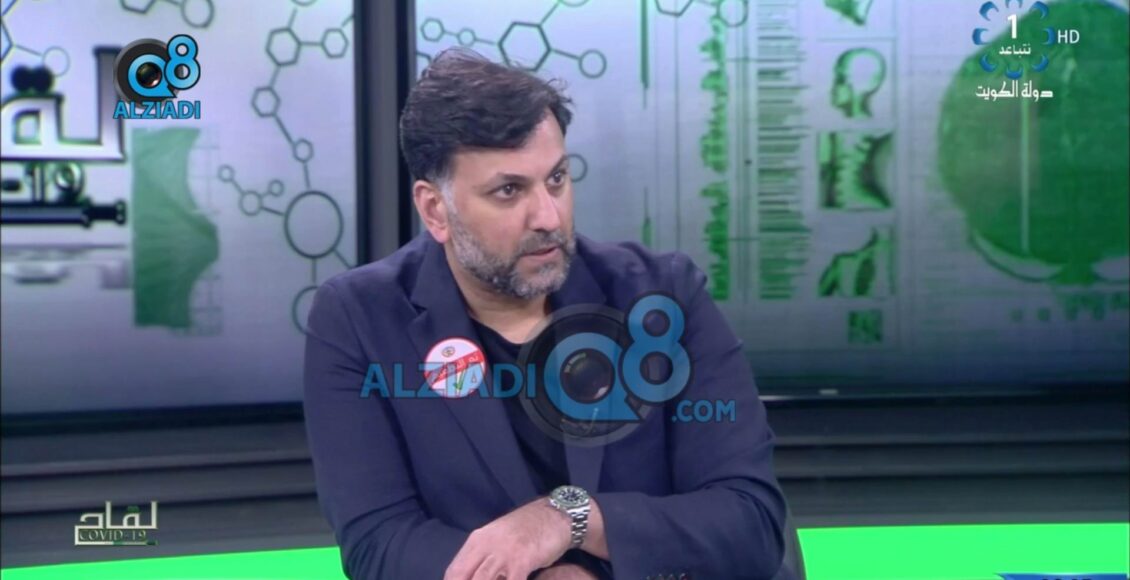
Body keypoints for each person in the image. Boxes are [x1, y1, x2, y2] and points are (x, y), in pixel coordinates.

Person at [303, 48, 791, 579]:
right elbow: (379, 544)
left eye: (556, 179)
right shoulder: (359, 319)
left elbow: (750, 521)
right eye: (509, 190)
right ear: (435, 209)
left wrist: (568, 520)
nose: (548, 216)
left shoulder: (664, 297)